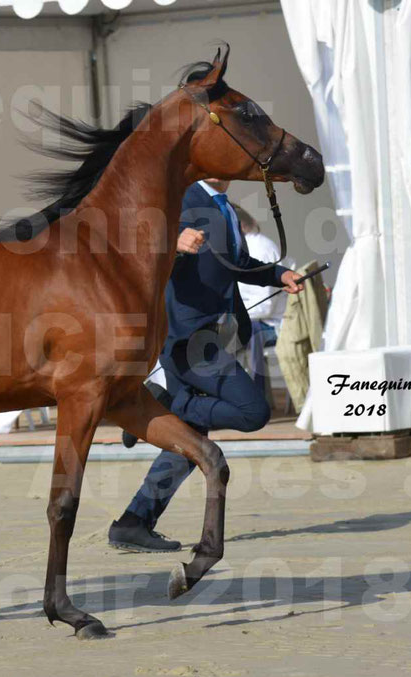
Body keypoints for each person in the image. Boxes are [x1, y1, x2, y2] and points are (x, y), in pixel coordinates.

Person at [109, 179, 303, 552]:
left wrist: (280, 274)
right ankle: (159, 405)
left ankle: (134, 522)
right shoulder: (179, 195)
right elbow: (133, 238)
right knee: (254, 412)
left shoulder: (224, 205)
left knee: (190, 441)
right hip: (188, 341)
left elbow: (238, 265)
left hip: (214, 335)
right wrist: (174, 243)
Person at [235, 206, 290, 395]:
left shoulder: (260, 249)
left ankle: (252, 395)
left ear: (239, 226)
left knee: (229, 333)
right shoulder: (247, 248)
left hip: (270, 324)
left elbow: (265, 306)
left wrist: (233, 313)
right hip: (256, 318)